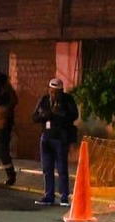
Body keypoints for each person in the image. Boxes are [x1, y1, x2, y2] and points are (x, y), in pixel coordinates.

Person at [32, 77, 79, 206]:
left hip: (61, 138)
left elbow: (74, 115)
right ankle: (49, 196)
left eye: (56, 92)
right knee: (47, 168)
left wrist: (59, 115)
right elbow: (34, 117)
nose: (54, 95)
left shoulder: (67, 100)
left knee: (62, 168)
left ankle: (64, 197)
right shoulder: (44, 100)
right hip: (46, 137)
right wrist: (44, 115)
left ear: (61, 91)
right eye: (52, 92)